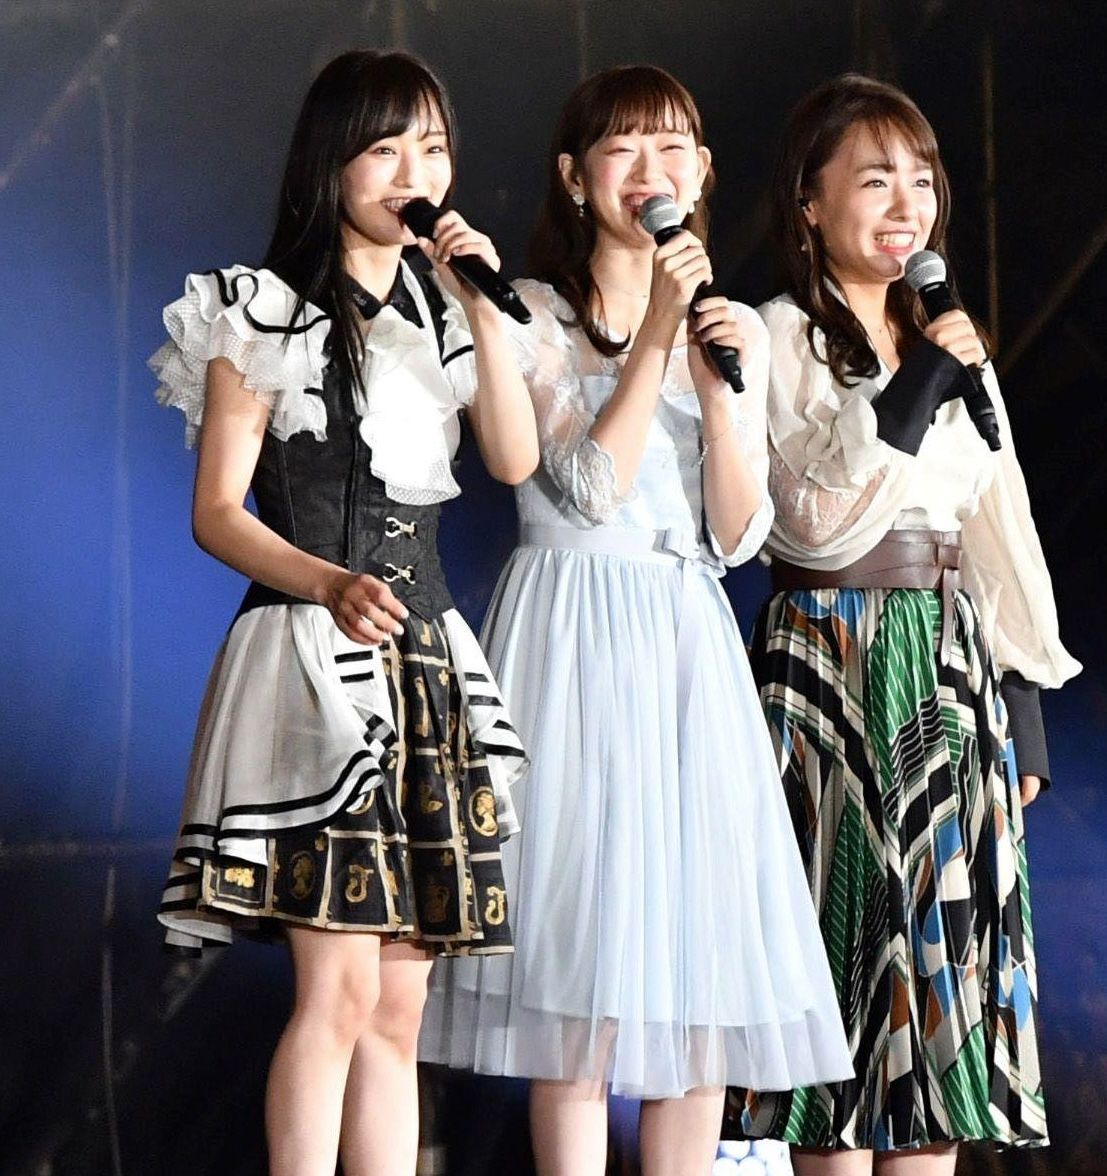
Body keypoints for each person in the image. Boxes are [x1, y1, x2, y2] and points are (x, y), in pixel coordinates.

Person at [419, 65, 852, 1176]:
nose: (649, 171)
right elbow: (581, 487)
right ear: (575, 178)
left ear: (701, 173)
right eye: (622, 149)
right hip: (570, 632)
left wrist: (714, 396)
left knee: (696, 988)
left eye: (671, 149)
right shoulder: (526, 313)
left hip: (683, 638)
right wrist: (656, 334)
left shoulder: (734, 330)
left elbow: (740, 535)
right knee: (578, 992)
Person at [150, 50, 537, 1176]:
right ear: (332, 165)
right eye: (386, 149)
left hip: (424, 662)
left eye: (433, 148)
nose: (415, 173)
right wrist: (324, 582)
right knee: (340, 990)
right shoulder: (260, 311)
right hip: (313, 657)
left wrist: (484, 307)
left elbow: (514, 458)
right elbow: (216, 512)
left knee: (400, 1008)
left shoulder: (447, 314)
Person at [743, 74, 1082, 1173]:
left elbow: (997, 527)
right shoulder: (777, 335)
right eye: (875, 180)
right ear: (808, 201)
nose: (907, 206)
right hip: (828, 659)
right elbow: (812, 516)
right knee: (838, 982)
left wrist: (1022, 708)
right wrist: (922, 373)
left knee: (937, 1003)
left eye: (922, 181)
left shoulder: (946, 340)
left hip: (946, 669)